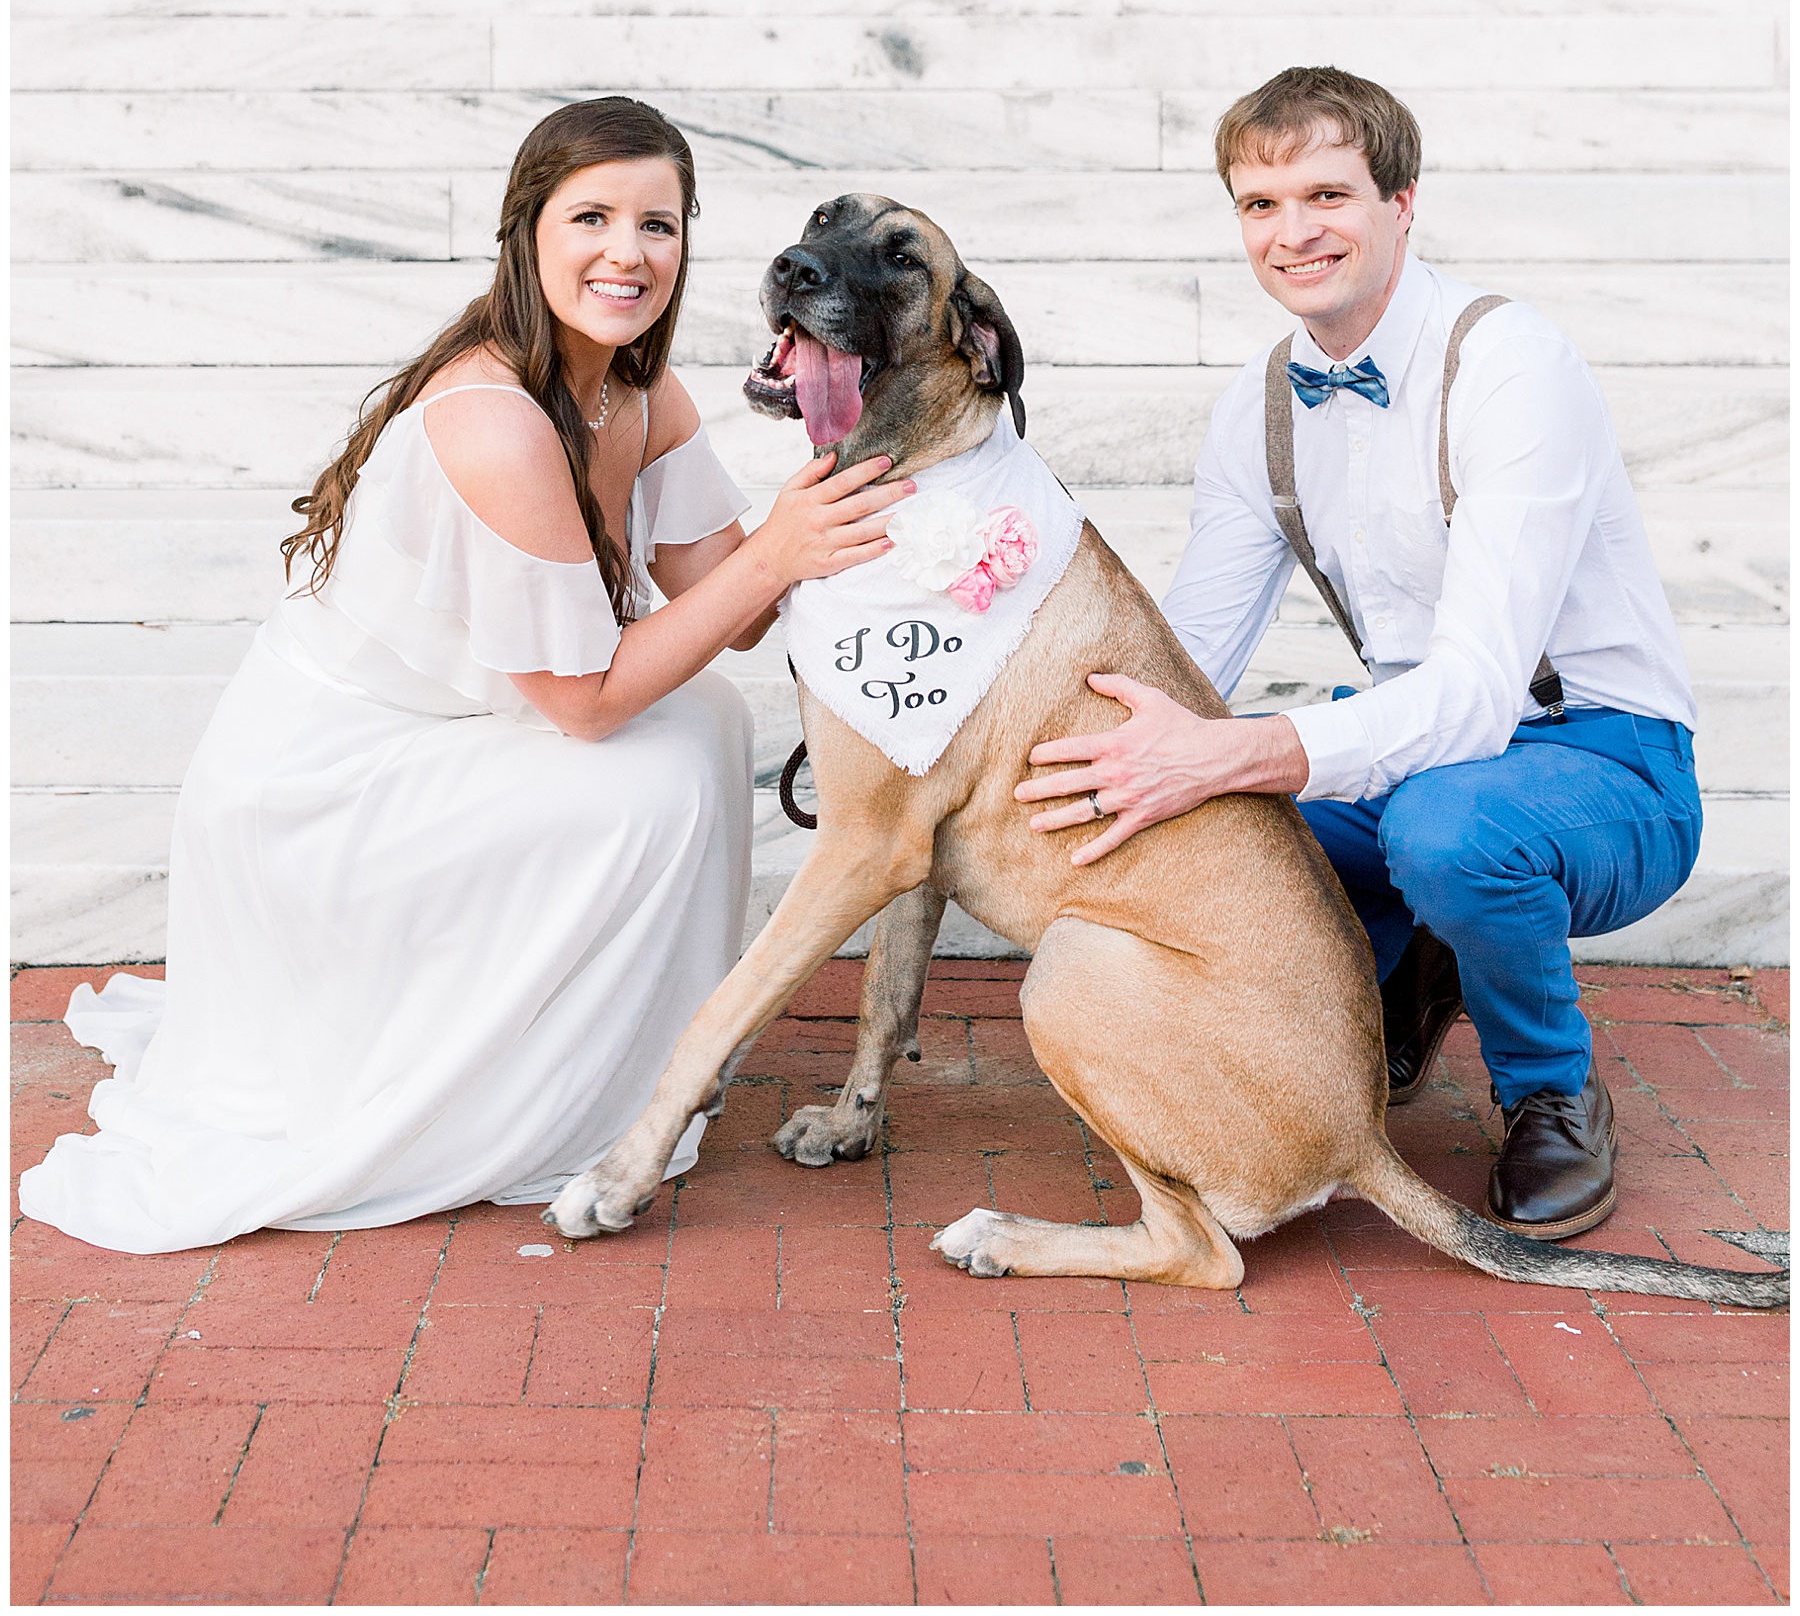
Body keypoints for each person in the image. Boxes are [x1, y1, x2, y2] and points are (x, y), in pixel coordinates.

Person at [20, 97, 904, 1254]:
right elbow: (588, 701)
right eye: (591, 216)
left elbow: (731, 611)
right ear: (527, 229)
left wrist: (882, 498)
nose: (629, 251)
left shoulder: (640, 391)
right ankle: (529, 1099)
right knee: (651, 777)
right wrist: (780, 549)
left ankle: (602, 1064)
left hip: (462, 729)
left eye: (658, 222)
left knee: (707, 717)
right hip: (328, 782)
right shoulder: (497, 419)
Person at [1016, 65, 1701, 1239]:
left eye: (1326, 194)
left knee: (1444, 830)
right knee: (1179, 809)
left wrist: (1230, 752)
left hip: (1605, 757)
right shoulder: (1261, 405)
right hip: (1415, 748)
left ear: (1401, 202)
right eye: (1261, 203)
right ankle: (1363, 1016)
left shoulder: (1512, 363)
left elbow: (1476, 696)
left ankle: (1551, 1087)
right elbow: (1186, 660)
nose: (1293, 232)